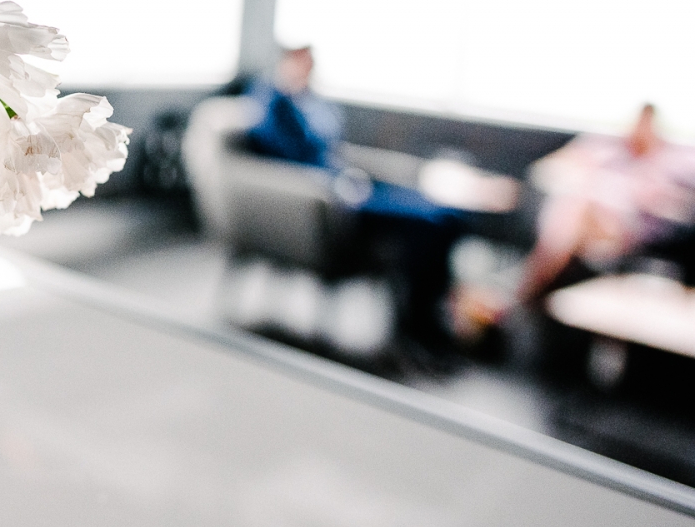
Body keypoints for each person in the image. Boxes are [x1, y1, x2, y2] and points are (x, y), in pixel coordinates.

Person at [242, 46, 463, 351]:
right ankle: (418, 326)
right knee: (428, 222)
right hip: (331, 199)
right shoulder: (273, 100)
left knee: (449, 215)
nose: (308, 70)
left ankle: (434, 318)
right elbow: (284, 154)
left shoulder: (310, 102)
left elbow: (331, 145)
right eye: (301, 62)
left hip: (348, 183)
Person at [458, 105, 695, 336]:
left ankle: (517, 294)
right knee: (574, 209)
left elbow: (681, 205)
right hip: (579, 227)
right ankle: (518, 295)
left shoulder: (672, 161)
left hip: (625, 233)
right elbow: (546, 169)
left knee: (574, 213)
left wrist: (653, 194)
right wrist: (584, 174)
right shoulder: (605, 148)